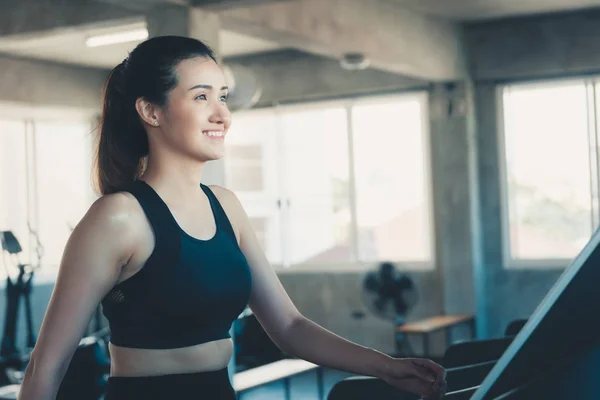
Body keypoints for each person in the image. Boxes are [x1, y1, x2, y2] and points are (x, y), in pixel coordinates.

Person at [18, 35, 446, 400]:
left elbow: (289, 326)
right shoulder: (117, 217)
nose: (222, 114)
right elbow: (45, 367)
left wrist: (387, 367)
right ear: (151, 112)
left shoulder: (226, 205)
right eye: (201, 96)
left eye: (222, 96)